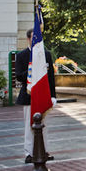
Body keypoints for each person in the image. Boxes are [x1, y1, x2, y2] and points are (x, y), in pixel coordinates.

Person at [14, 28, 56, 163]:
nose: (36, 41)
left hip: (43, 96)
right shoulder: (21, 55)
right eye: (33, 38)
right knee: (29, 125)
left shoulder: (46, 54)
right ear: (28, 39)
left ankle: (44, 151)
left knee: (44, 125)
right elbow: (19, 76)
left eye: (38, 38)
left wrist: (53, 96)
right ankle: (29, 153)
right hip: (28, 96)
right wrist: (33, 68)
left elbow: (50, 77)